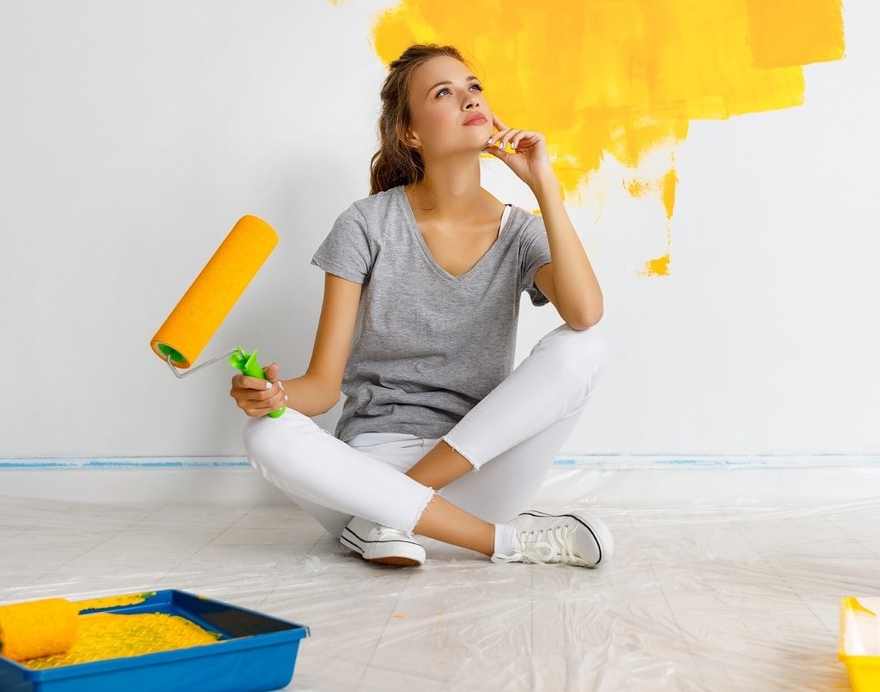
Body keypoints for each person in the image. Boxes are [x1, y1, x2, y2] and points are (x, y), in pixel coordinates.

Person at [231, 43, 611, 568]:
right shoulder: (366, 225)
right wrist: (272, 395)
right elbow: (320, 389)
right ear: (410, 133)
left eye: (473, 87)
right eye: (444, 92)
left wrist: (544, 184)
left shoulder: (519, 232)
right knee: (266, 434)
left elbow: (585, 313)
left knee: (584, 347)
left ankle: (387, 518)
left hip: (473, 467)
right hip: (370, 460)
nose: (468, 99)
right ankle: (503, 542)